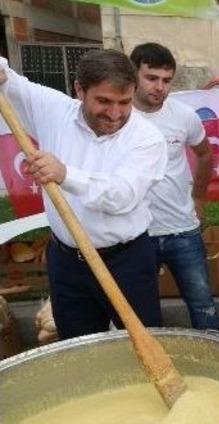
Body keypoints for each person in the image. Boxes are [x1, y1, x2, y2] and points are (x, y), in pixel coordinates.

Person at [0, 50, 166, 338]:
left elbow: (122, 195)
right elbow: (7, 80)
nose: (115, 114)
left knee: (143, 340)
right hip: (66, 263)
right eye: (103, 101)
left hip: (125, 262)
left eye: (124, 102)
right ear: (79, 89)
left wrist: (65, 174)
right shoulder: (54, 110)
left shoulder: (147, 138)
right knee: (78, 345)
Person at [130, 42, 219, 331]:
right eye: (151, 78)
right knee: (140, 311)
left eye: (166, 80)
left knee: (203, 304)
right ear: (134, 74)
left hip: (182, 228)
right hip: (136, 233)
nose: (159, 87)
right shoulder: (118, 117)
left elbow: (206, 154)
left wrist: (199, 197)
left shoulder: (183, 116)